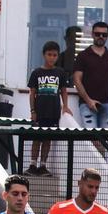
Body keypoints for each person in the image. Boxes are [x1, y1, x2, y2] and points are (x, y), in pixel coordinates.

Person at [26, 41, 71, 177]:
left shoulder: (60, 72)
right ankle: (32, 165)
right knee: (36, 138)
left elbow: (63, 91)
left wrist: (66, 106)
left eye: (54, 55)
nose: (51, 57)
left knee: (47, 139)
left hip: (53, 112)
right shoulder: (36, 73)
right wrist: (33, 111)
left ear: (57, 56)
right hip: (40, 112)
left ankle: (43, 166)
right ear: (44, 55)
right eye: (49, 54)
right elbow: (32, 93)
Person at [73, 21, 108, 129]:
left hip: (107, 105)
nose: (101, 37)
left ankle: (102, 147)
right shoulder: (82, 56)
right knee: (93, 137)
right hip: (87, 105)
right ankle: (100, 147)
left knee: (105, 138)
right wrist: (88, 101)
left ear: (107, 36)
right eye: (98, 34)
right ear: (92, 34)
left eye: (104, 35)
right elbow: (77, 80)